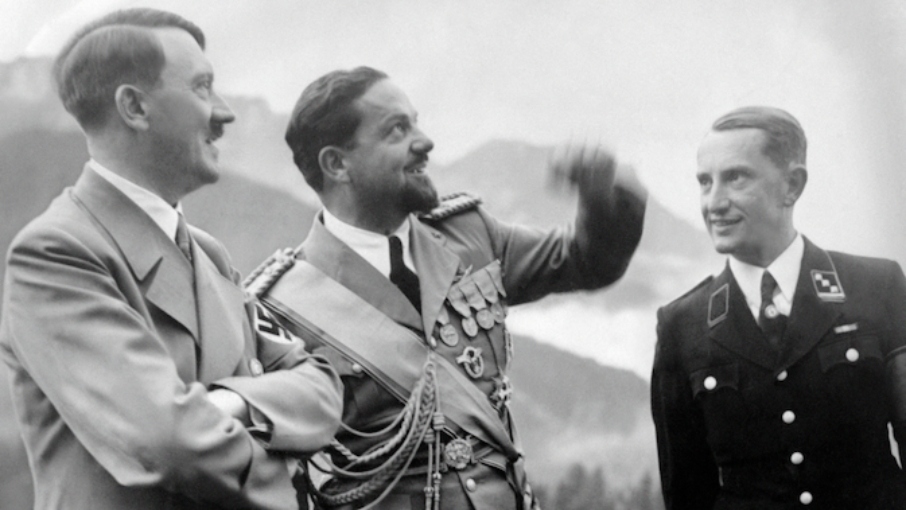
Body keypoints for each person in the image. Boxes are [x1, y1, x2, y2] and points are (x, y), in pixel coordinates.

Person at [245, 66, 647, 510]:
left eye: (415, 121)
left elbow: (587, 262)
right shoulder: (280, 306)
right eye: (397, 130)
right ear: (337, 164)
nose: (425, 141)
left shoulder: (470, 234)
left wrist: (602, 194)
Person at [0, 9, 343, 510]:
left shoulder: (208, 253)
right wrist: (284, 457)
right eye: (202, 88)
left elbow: (321, 386)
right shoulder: (55, 254)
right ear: (135, 107)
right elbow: (171, 443)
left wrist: (230, 402)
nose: (224, 113)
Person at [651, 106, 906, 509]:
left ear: (792, 185)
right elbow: (686, 494)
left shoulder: (877, 288)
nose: (714, 202)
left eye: (735, 177)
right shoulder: (682, 325)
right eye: (704, 182)